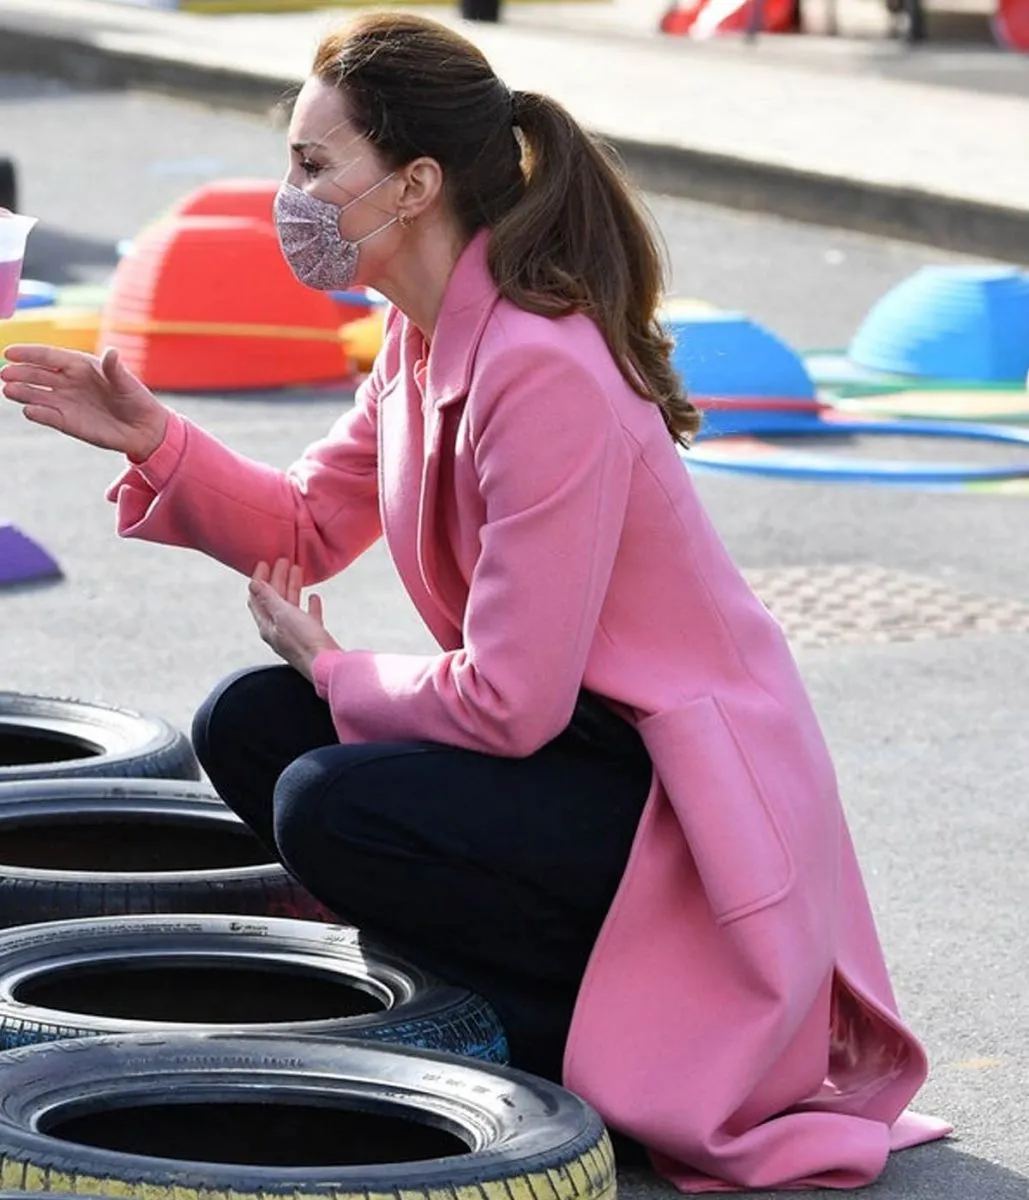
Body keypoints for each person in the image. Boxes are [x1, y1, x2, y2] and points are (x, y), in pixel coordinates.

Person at [0, 11, 949, 1192]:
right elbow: (305, 524)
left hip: (676, 806)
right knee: (253, 721)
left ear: (414, 184)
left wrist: (340, 672)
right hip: (578, 759)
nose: (286, 194)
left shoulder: (541, 366)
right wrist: (154, 435)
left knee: (328, 794)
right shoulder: (421, 334)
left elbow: (511, 704)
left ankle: (565, 1036)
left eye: (310, 165)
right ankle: (478, 996)